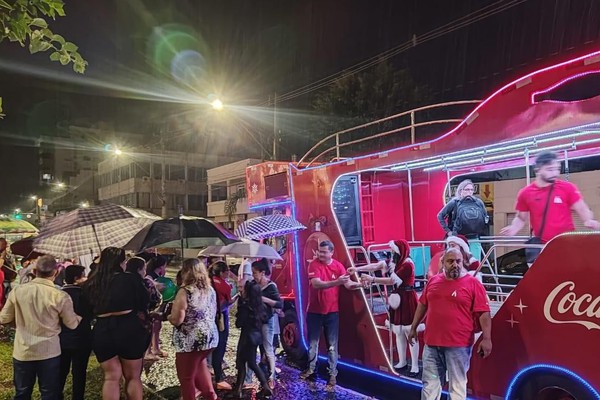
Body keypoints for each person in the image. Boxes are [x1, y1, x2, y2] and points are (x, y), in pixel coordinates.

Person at [408, 248, 492, 400]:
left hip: (458, 346)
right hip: (432, 345)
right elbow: (423, 305)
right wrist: (413, 327)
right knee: (430, 385)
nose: (455, 265)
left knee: (457, 388)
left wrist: (487, 339)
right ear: (443, 263)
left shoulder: (473, 284)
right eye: (450, 261)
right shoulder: (433, 281)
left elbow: (484, 313)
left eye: (458, 261)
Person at [0, 255, 81, 400]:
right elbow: (72, 324)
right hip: (49, 352)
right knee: (49, 394)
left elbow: (3, 319)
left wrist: (19, 322)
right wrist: (78, 318)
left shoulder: (18, 292)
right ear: (55, 272)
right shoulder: (60, 296)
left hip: (23, 351)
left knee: (22, 394)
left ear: (35, 271)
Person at [83, 247, 150, 400]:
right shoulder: (130, 278)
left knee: (111, 377)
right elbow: (144, 301)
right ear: (121, 262)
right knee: (133, 377)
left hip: (102, 330)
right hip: (128, 328)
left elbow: (87, 310)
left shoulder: (91, 282)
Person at [353, 240, 423, 377]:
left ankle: (415, 365)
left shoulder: (407, 264)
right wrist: (358, 269)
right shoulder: (395, 261)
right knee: (398, 331)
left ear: (399, 251)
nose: (391, 253)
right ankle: (402, 361)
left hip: (407, 299)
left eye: (393, 250)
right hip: (397, 298)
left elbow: (391, 281)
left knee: (410, 331)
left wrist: (372, 280)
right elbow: (378, 265)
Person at [300, 240, 361, 390]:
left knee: (332, 346)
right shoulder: (313, 264)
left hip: (332, 312)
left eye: (324, 252)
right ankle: (311, 370)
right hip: (314, 311)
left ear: (331, 252)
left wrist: (361, 284)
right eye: (319, 251)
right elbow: (316, 284)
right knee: (313, 344)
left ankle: (332, 375)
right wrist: (336, 282)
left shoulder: (339, 266)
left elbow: (348, 284)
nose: (320, 254)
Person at [501, 151, 600, 240]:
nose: (555, 173)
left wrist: (588, 220)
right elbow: (521, 218)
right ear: (538, 170)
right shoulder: (525, 193)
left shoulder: (567, 188)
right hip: (543, 245)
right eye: (550, 169)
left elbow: (581, 208)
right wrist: (514, 228)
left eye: (557, 169)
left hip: (567, 242)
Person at [168, 258, 219, 400]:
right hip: (209, 338)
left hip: (190, 341)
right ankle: (211, 396)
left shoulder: (185, 292)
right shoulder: (210, 290)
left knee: (186, 378)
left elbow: (177, 319)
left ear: (186, 272)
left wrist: (168, 317)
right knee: (201, 367)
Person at [231, 280, 272, 398]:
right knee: (246, 362)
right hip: (256, 337)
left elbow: (239, 323)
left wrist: (239, 312)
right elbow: (265, 319)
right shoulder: (261, 306)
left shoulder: (245, 306)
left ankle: (265, 386)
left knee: (246, 363)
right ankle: (238, 389)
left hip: (246, 338)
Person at [59, 265, 93, 400]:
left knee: (61, 371)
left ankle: (57, 394)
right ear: (76, 278)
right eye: (83, 275)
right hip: (82, 339)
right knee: (79, 373)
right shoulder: (85, 295)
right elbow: (91, 314)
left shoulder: (59, 294)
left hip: (62, 339)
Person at [437, 179, 488, 259]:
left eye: (471, 190)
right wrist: (448, 231)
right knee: (459, 262)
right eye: (467, 189)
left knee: (475, 263)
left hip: (474, 237)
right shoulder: (454, 202)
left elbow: (485, 216)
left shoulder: (478, 202)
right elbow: (440, 216)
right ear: (461, 190)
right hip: (458, 238)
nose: (469, 192)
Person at [252, 258, 282, 390]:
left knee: (268, 349)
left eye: (255, 273)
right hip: (255, 321)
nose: (253, 275)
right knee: (258, 348)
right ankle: (261, 374)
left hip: (267, 321)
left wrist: (263, 299)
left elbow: (279, 304)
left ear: (262, 272)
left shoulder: (271, 286)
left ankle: (272, 377)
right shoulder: (253, 284)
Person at [209, 261, 238, 391]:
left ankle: (209, 370)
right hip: (220, 318)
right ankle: (219, 378)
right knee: (220, 346)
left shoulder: (208, 281)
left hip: (207, 319)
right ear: (222, 272)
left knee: (210, 346)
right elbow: (228, 302)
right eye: (227, 271)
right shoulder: (224, 286)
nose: (228, 274)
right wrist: (237, 294)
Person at [146, 255, 169, 358]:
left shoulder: (157, 275)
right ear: (160, 266)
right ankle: (148, 352)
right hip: (151, 306)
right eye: (165, 266)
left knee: (157, 326)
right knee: (151, 327)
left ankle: (156, 348)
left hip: (158, 305)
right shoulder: (150, 276)